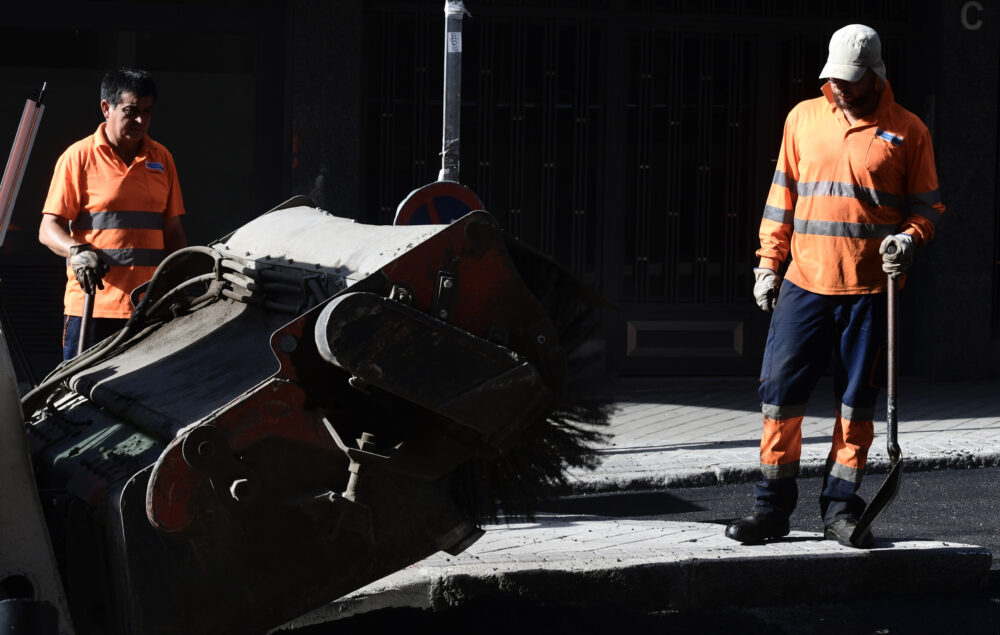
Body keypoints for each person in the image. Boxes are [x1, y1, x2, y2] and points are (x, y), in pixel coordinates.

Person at [725, 24, 945, 548]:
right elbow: (782, 196)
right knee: (779, 396)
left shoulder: (908, 130)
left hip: (870, 293)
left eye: (850, 79)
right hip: (804, 285)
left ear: (875, 75)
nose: (840, 87)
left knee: (855, 406)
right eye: (834, 78)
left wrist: (910, 239)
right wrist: (767, 263)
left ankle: (841, 510)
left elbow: (929, 206)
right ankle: (772, 509)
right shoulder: (803, 118)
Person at [38, 68, 186, 360]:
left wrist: (180, 286)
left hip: (148, 308)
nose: (141, 120)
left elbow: (172, 232)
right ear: (107, 108)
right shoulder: (78, 157)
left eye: (148, 111)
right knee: (81, 399)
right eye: (132, 111)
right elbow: (48, 229)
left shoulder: (161, 158)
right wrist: (77, 250)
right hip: (93, 309)